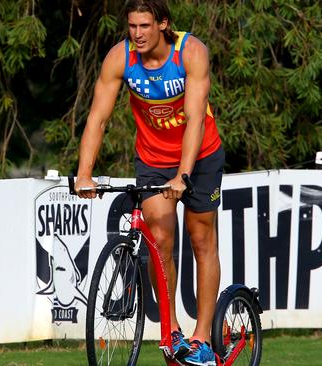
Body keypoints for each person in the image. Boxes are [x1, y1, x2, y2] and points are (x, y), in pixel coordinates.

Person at [75, 0, 224, 364]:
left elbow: (194, 120)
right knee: (159, 238)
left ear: (162, 24)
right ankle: (170, 331)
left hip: (200, 155)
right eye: (132, 26)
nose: (137, 34)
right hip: (154, 159)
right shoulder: (119, 59)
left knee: (201, 237)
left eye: (144, 26)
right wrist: (83, 173)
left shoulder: (190, 52)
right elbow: (97, 118)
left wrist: (183, 175)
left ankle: (203, 337)